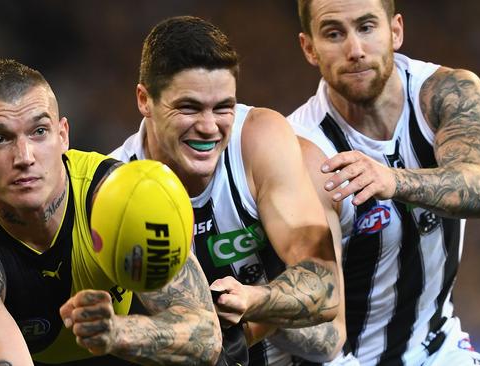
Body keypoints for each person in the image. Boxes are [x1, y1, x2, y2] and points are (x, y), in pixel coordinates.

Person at [0, 59, 222, 365]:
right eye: (0, 138)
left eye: (39, 131)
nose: (24, 157)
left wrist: (116, 332)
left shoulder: (126, 199)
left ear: (63, 135)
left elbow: (206, 339)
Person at [111, 16, 342, 365]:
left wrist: (251, 301)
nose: (208, 127)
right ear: (145, 100)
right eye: (189, 107)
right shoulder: (116, 187)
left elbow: (326, 298)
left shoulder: (259, 140)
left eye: (223, 107)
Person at [289, 0, 480, 365]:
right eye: (334, 33)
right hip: (344, 360)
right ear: (309, 48)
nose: (355, 50)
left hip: (438, 347)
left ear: (396, 30)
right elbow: (309, 308)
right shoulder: (300, 149)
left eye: (367, 27)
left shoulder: (448, 94)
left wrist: (393, 180)